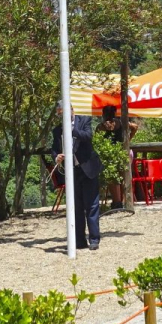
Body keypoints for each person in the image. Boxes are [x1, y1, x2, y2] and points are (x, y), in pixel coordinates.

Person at [50, 105, 102, 250]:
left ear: (72, 111)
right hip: (72, 171)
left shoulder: (84, 120)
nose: (62, 117)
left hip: (88, 169)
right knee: (76, 207)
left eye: (64, 113)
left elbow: (88, 136)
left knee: (91, 205)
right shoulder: (57, 130)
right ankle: (79, 241)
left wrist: (71, 130)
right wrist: (57, 157)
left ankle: (94, 239)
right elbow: (54, 149)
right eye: (60, 115)